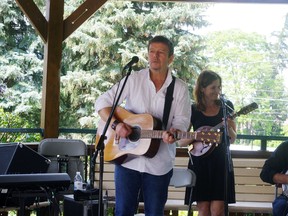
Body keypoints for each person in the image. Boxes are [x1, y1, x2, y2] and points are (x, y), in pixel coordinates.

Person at [95, 35, 191, 216]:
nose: (155, 56)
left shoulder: (179, 88)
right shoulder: (133, 79)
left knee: (154, 213)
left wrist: (174, 133)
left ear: (171, 58)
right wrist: (117, 125)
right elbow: (102, 103)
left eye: (161, 53)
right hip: (127, 160)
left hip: (159, 163)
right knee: (123, 212)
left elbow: (182, 120)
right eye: (152, 52)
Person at [181, 70, 237, 216]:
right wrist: (197, 135)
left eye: (219, 87)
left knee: (217, 210)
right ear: (202, 88)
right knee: (204, 210)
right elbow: (181, 141)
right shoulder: (192, 110)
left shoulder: (226, 107)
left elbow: (232, 139)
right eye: (213, 87)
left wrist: (229, 126)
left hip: (221, 163)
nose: (217, 91)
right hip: (200, 163)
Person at [260, 140, 288, 216]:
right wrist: (286, 179)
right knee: (281, 207)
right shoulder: (286, 147)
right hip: (286, 198)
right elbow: (265, 173)